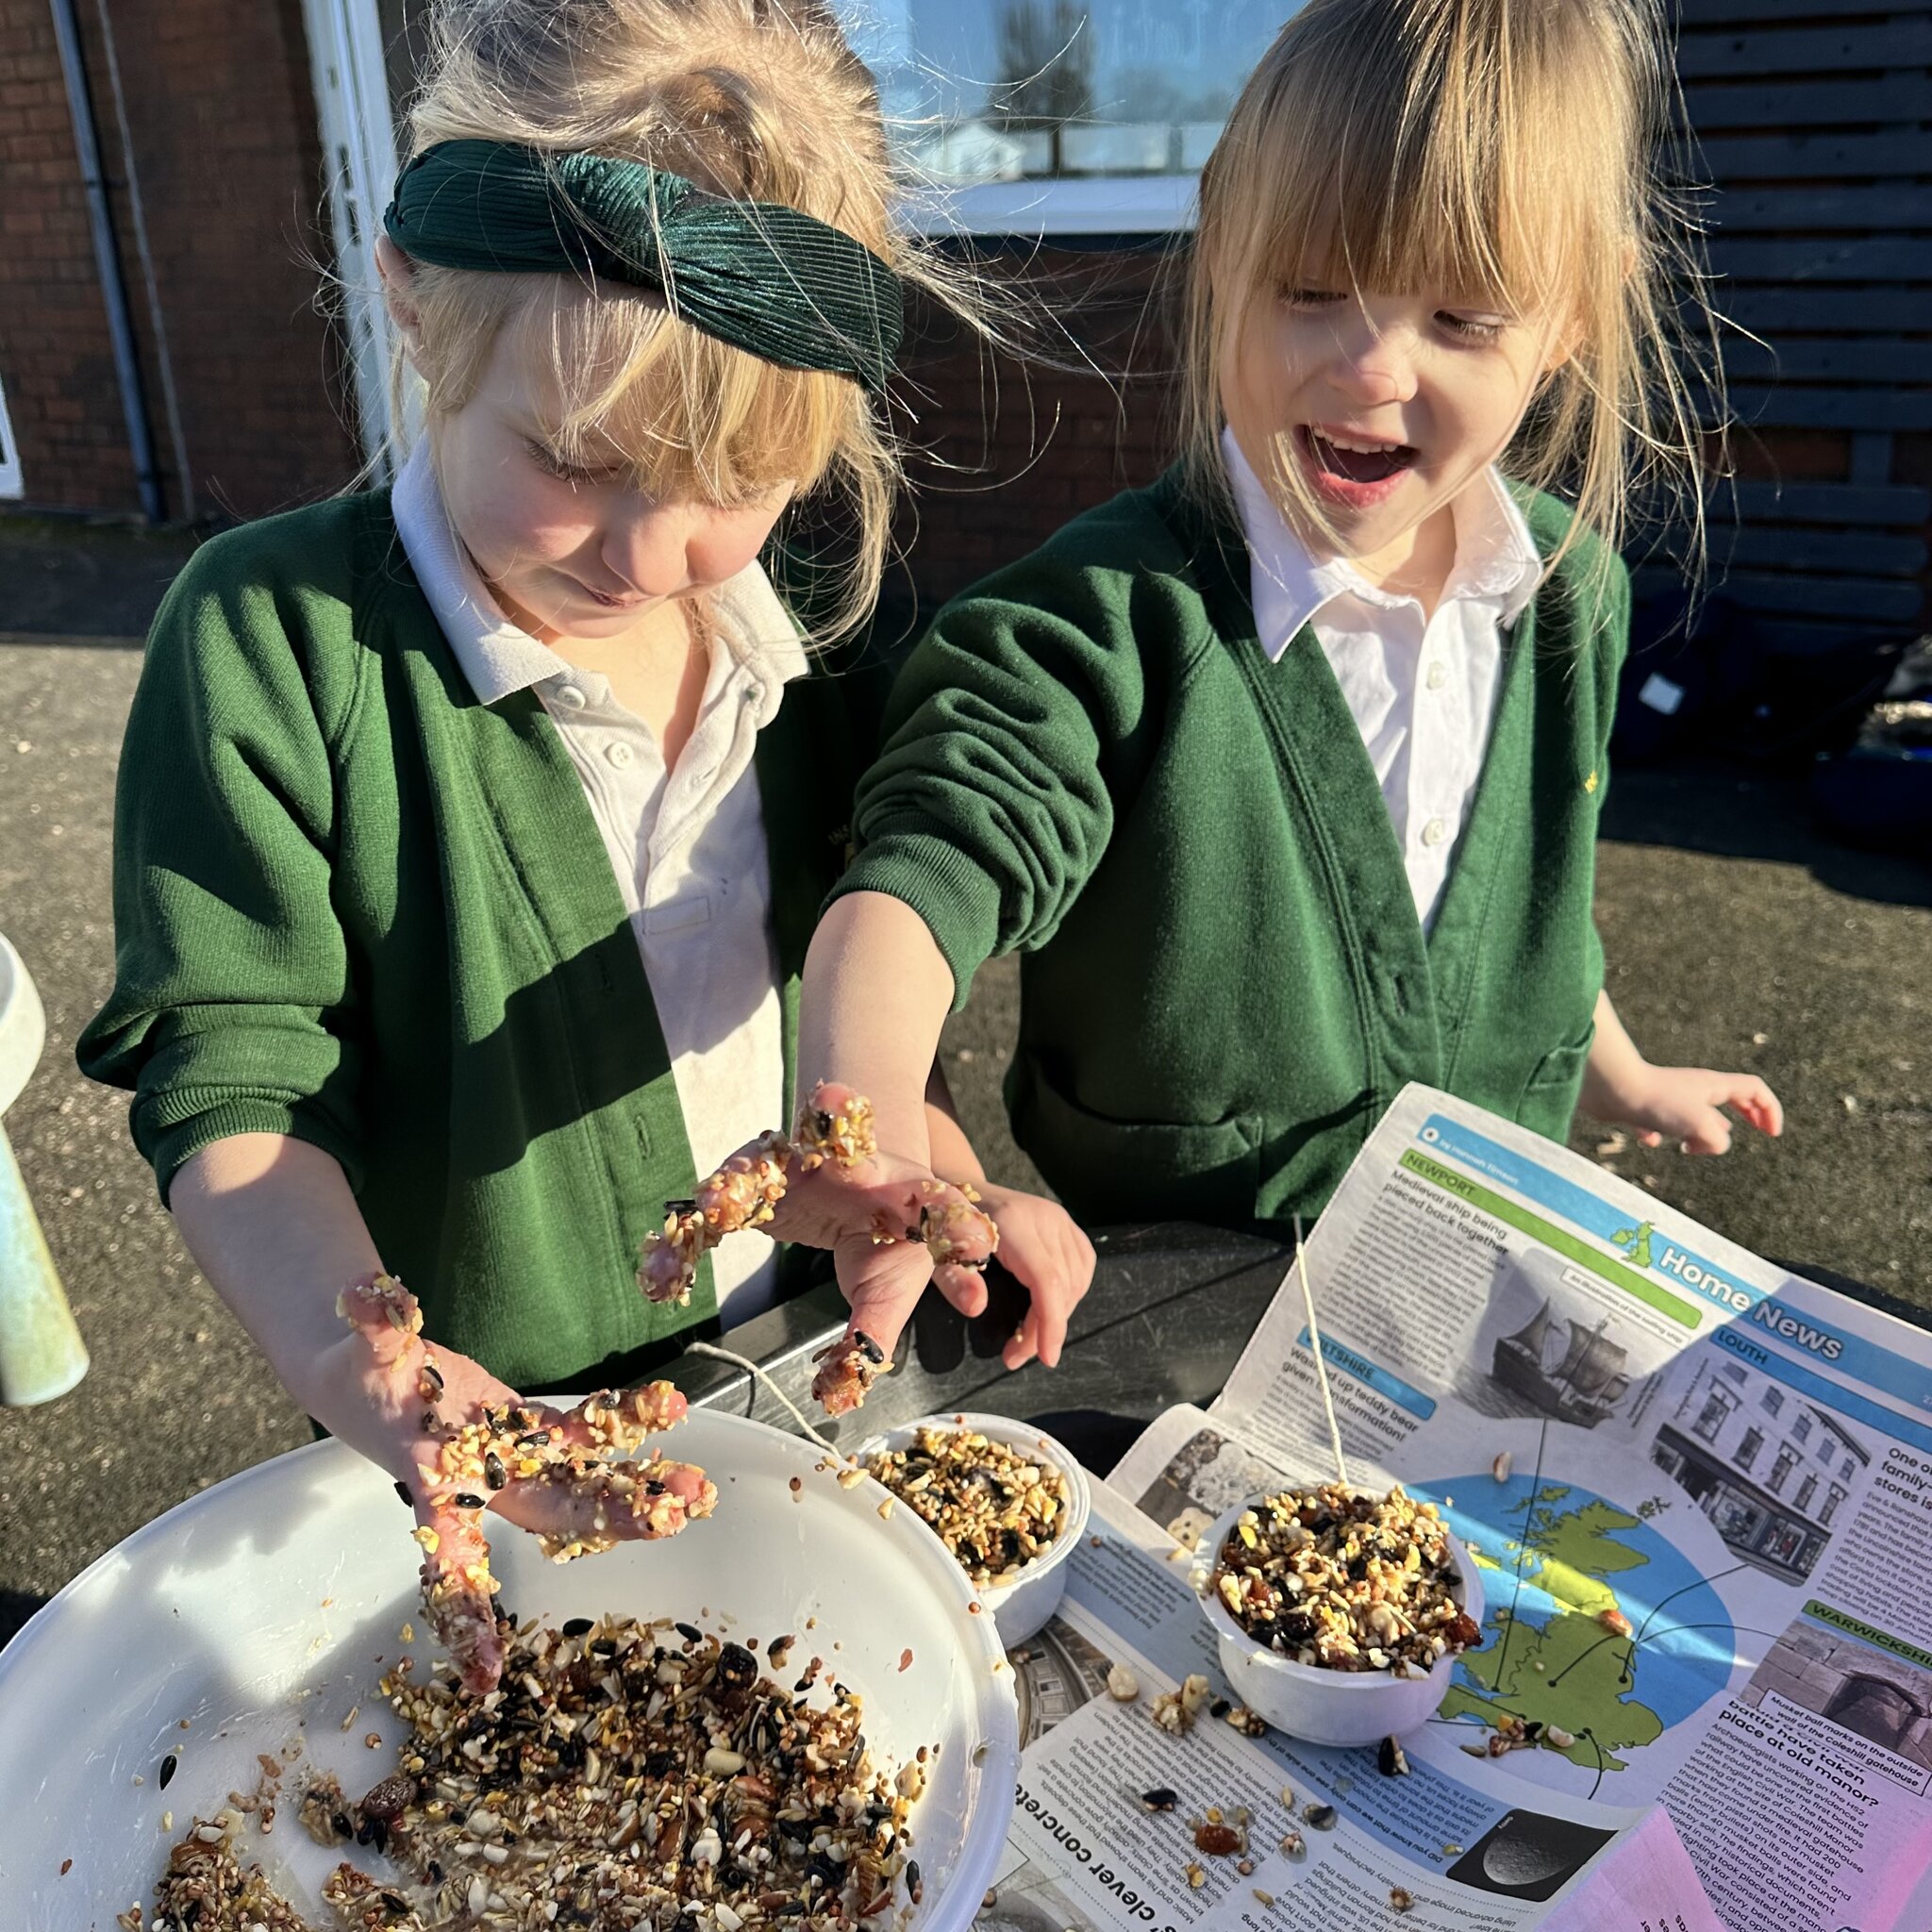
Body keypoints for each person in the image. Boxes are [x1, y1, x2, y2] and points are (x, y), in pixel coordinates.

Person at [75, 0, 1074, 1678]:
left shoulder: (817, 620)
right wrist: (372, 1379)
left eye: (738, 478)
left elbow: (866, 959)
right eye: (574, 460)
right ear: (413, 303)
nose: (653, 548)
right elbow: (231, 1075)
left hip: (793, 1342)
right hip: (493, 1416)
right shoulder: (273, 638)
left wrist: (943, 1177)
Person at [754, 0, 1783, 1373]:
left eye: (1462, 316)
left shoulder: (1568, 598)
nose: (1366, 370)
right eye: (1307, 290)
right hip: (1179, 1338)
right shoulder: (1094, 624)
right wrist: (870, 1125)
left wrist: (1623, 1073)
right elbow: (923, 878)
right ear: (1219, 250)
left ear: (1570, 321)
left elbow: (1531, 917)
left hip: (1472, 1317)